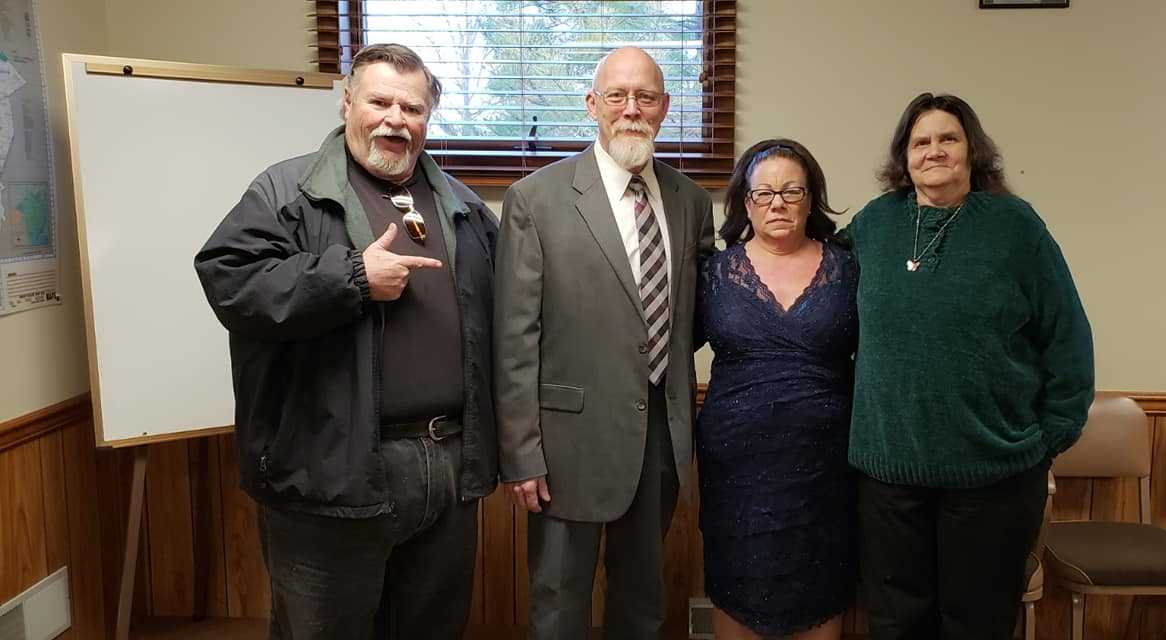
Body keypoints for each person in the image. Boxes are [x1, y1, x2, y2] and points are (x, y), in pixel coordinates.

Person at [194, 43, 499, 640]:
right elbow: (230, 281)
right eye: (379, 102)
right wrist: (353, 277)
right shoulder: (288, 191)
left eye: (412, 108)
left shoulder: (462, 205)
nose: (395, 120)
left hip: (448, 465)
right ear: (347, 104)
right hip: (329, 471)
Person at [844, 93, 1094, 640]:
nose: (933, 151)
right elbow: (815, 284)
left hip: (993, 479)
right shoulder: (874, 224)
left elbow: (1067, 336)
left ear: (971, 150)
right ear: (903, 156)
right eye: (920, 141)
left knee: (977, 626)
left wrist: (1049, 439)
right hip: (887, 476)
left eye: (948, 138)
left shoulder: (1015, 227)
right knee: (894, 624)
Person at [494, 46, 715, 639]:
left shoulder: (692, 202)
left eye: (646, 97)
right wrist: (521, 453)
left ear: (665, 107)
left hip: (659, 439)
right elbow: (514, 336)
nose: (631, 109)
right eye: (617, 96)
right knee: (559, 603)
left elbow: (693, 316)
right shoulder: (536, 198)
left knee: (641, 602)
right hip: (564, 444)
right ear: (592, 105)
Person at [695, 138, 858, 639]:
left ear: (811, 199)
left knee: (821, 593)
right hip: (736, 477)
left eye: (791, 191)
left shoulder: (849, 270)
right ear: (746, 203)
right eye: (763, 193)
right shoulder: (714, 274)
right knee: (738, 592)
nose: (778, 203)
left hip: (826, 472)